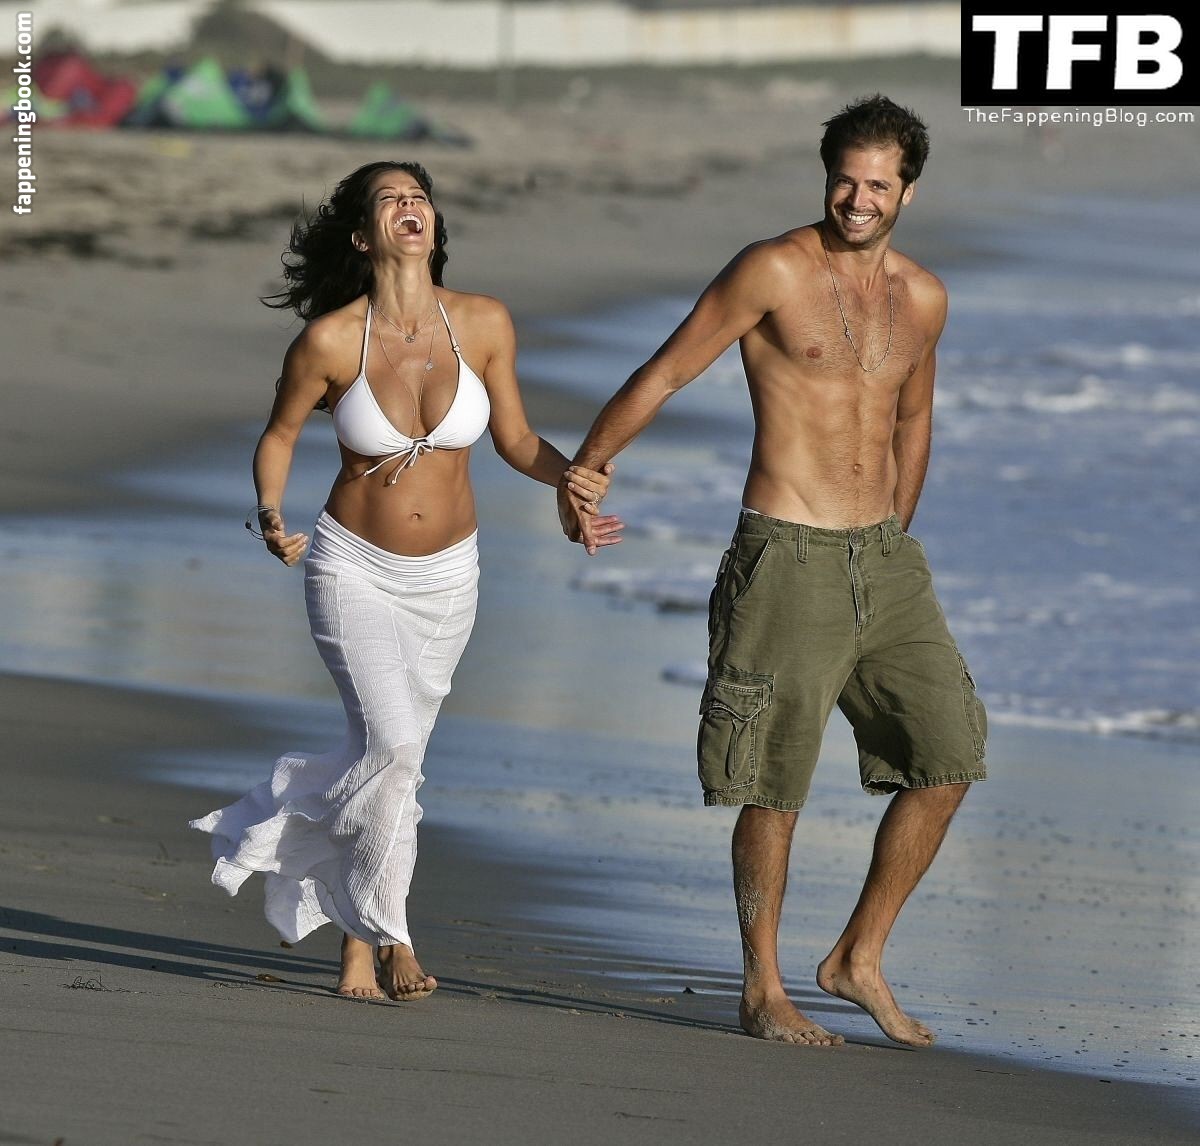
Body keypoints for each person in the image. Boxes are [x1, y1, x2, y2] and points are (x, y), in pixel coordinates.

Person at [561, 96, 986, 1047]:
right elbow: (667, 371)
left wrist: (896, 532)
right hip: (786, 552)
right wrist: (586, 469)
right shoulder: (774, 269)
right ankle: (763, 989)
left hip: (884, 561)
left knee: (950, 752)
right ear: (825, 177)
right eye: (845, 179)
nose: (858, 199)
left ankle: (857, 958)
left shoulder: (924, 298)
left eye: (879, 184)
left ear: (908, 193)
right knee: (774, 779)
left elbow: (914, 416)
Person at [191, 161, 622, 1003]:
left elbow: (516, 440)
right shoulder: (329, 340)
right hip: (352, 565)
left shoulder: (484, 322)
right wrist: (270, 515)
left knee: (399, 763)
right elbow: (278, 435)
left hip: (449, 578)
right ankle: (395, 935)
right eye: (390, 199)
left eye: (418, 197)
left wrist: (571, 481)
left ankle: (356, 945)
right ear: (364, 236)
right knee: (390, 749)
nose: (410, 205)